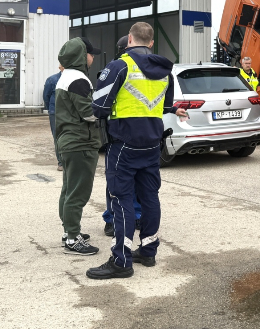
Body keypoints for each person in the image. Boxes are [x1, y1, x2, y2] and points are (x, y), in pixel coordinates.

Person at [87, 22, 187, 279]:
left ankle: (121, 260)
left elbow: (98, 107)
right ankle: (148, 250)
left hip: (124, 143)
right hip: (152, 144)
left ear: (129, 39)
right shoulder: (166, 71)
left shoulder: (119, 66)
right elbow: (165, 107)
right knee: (150, 197)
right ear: (151, 42)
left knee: (121, 198)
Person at [56, 36, 102, 255]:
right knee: (78, 193)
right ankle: (73, 239)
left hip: (68, 141)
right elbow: (89, 113)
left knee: (68, 189)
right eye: (92, 54)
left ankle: (69, 231)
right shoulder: (79, 80)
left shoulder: (65, 76)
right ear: (84, 56)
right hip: (80, 142)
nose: (93, 58)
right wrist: (108, 112)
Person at [101, 36, 142, 238]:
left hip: (120, 135)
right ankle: (136, 216)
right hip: (144, 135)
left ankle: (113, 219)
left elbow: (101, 104)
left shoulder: (117, 67)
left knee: (116, 182)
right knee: (137, 182)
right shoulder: (150, 69)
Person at [43, 66, 63, 171]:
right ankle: (61, 163)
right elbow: (46, 96)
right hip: (55, 112)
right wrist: (51, 109)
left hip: (67, 112)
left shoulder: (73, 79)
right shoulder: (52, 80)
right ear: (60, 67)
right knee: (57, 137)